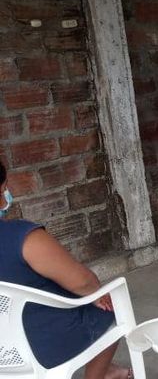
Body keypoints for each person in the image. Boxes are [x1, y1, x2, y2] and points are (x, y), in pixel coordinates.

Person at [0, 160, 131, 379]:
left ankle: (109, 371)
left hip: (5, 349)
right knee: (110, 306)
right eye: (5, 187)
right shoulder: (22, 238)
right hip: (40, 347)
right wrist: (96, 293)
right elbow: (83, 282)